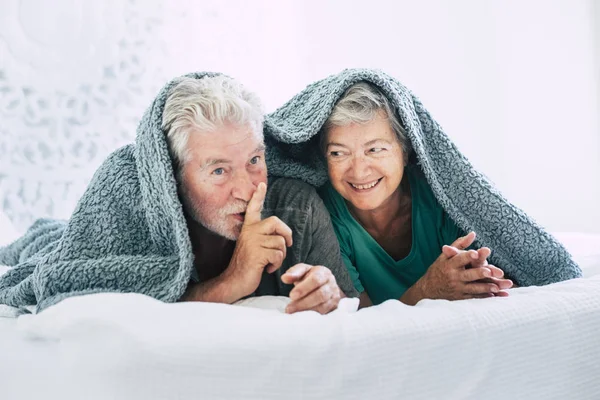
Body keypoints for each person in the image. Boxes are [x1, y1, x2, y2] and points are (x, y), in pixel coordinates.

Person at [162, 75, 357, 313]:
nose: (248, 192)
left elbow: (349, 311)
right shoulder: (138, 225)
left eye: (254, 160)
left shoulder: (298, 209)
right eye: (219, 170)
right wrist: (233, 280)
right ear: (174, 176)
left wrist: (330, 295)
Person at [317, 82, 513, 308]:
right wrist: (428, 290)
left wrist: (485, 278)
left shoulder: (445, 201)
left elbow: (500, 286)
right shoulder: (322, 217)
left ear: (405, 150)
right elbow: (362, 325)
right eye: (338, 153)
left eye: (375, 149)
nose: (359, 171)